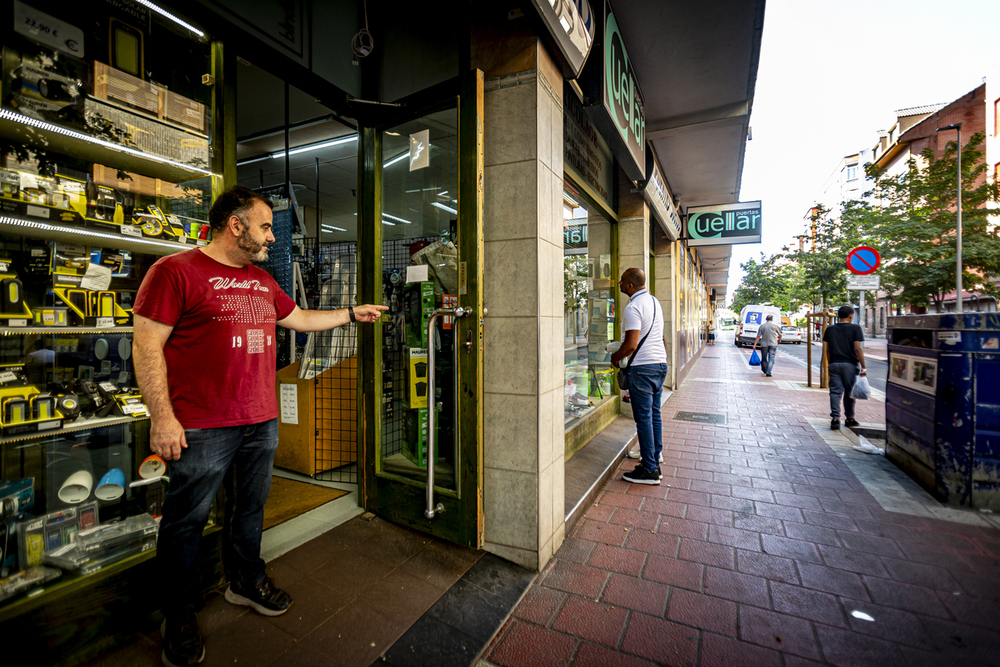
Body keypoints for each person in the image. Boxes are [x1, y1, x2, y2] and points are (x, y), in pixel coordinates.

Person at [133, 186, 386, 667]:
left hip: (260, 418)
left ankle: (245, 582)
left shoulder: (261, 280)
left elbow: (302, 319)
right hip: (202, 425)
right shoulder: (174, 272)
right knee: (186, 522)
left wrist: (352, 313)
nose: (272, 236)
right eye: (266, 226)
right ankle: (179, 615)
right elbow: (146, 347)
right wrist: (161, 416)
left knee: (250, 509)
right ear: (236, 225)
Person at [611, 268, 667, 485]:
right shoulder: (654, 301)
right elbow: (659, 336)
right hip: (658, 365)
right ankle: (654, 458)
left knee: (643, 419)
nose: (619, 284)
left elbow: (632, 344)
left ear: (631, 286)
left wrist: (615, 357)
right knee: (654, 415)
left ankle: (649, 471)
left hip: (642, 369)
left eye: (622, 282)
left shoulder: (633, 307)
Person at [823, 305, 867, 430]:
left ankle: (835, 418)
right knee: (849, 393)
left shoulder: (830, 329)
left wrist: (830, 363)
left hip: (834, 364)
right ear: (851, 316)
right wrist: (863, 366)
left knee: (835, 392)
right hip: (850, 365)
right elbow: (857, 348)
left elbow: (827, 349)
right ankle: (850, 418)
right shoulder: (855, 328)